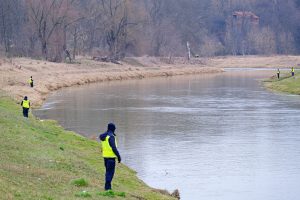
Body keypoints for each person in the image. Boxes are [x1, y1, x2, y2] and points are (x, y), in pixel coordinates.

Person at [99, 123, 121, 191]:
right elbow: (113, 148)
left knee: (108, 172)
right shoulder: (111, 136)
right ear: (113, 129)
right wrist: (119, 156)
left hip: (105, 157)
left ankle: (108, 187)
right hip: (111, 158)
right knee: (110, 173)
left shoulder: (104, 136)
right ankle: (107, 188)